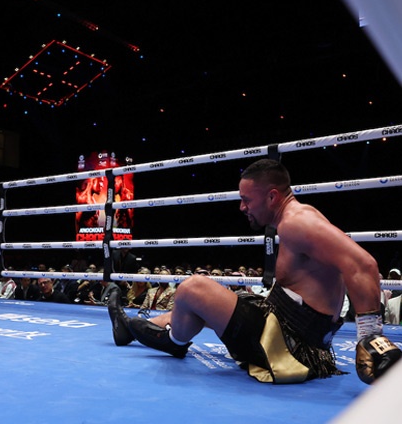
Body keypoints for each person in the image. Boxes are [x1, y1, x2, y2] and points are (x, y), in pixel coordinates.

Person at [110, 159, 400, 384]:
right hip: (282, 328)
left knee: (193, 288)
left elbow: (363, 265)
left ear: (272, 197)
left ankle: (173, 342)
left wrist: (370, 336)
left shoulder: (297, 222)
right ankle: (132, 329)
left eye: (247, 199)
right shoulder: (297, 218)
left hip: (289, 347)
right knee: (194, 307)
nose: (242, 207)